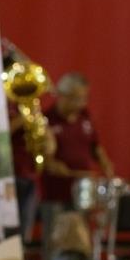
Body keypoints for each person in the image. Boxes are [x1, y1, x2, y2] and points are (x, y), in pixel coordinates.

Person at [42, 73, 114, 205]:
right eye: (76, 99)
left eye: (84, 98)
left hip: (83, 190)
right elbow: (40, 154)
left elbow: (95, 145)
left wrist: (105, 164)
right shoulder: (46, 120)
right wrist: (51, 164)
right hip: (56, 193)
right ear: (61, 96)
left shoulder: (85, 116)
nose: (81, 104)